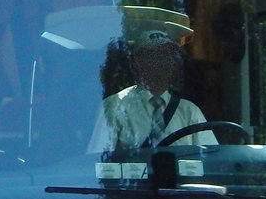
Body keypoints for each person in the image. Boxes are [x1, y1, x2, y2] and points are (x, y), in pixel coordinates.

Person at [87, 19, 217, 154]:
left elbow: (211, 160)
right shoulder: (115, 106)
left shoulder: (189, 112)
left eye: (166, 57)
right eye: (152, 57)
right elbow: (97, 160)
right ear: (136, 63)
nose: (160, 64)